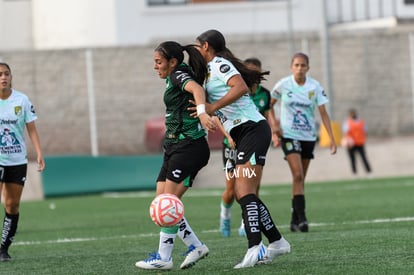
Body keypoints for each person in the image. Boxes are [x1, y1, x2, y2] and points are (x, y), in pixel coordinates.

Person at [194, 29, 290, 269]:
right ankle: (277, 242)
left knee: (245, 191)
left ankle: (255, 247)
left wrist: (213, 106)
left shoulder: (218, 64)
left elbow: (240, 88)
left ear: (206, 46)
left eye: (197, 46)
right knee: (242, 193)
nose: (196, 50)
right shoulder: (206, 72)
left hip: (252, 129)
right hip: (242, 133)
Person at [135, 41, 217, 271]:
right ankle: (196, 246)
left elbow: (197, 90)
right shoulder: (177, 75)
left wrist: (202, 114)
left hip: (188, 147)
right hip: (175, 147)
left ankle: (164, 257)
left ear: (172, 62)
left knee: (167, 203)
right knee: (161, 203)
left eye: (158, 62)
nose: (155, 66)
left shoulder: (178, 75)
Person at [269, 52, 337, 233]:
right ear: (291, 67)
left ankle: (294, 220)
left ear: (308, 67)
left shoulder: (314, 87)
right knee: (298, 175)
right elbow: (268, 105)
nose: (300, 68)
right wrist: (274, 128)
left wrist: (331, 138)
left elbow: (323, 112)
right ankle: (303, 219)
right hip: (290, 136)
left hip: (308, 137)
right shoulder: (284, 85)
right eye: (296, 65)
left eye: (303, 65)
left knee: (300, 179)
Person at [219, 57, 277, 238]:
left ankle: (246, 222)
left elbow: (267, 116)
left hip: (253, 143)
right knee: (231, 190)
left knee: (253, 186)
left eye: (255, 72)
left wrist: (273, 132)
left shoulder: (264, 94)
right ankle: (225, 215)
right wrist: (228, 136)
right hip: (232, 146)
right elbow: (219, 116)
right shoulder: (235, 91)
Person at [0, 62, 45, 262]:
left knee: (12, 206)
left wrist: (39, 153)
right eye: (0, 74)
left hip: (17, 161)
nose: (3, 77)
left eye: (6, 74)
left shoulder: (22, 100)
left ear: (11, 77)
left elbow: (31, 129)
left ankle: (3, 249)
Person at [342, 108, 372, 177]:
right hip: (351, 144)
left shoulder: (361, 122)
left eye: (353, 113)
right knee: (352, 159)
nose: (352, 115)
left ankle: (369, 172)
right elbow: (345, 133)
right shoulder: (347, 122)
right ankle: (354, 173)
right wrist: (347, 141)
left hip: (360, 142)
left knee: (364, 158)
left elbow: (365, 131)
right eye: (351, 114)